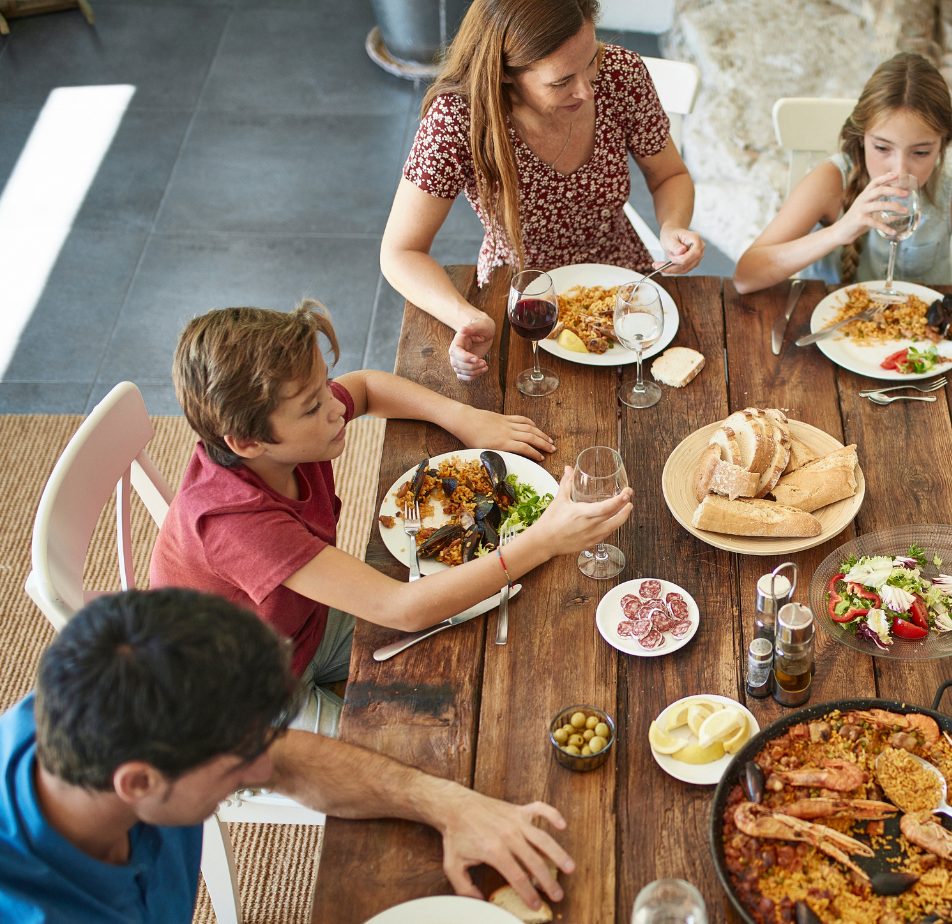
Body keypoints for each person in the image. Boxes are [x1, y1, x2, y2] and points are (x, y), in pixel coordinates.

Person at [150, 302, 632, 734]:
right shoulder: (232, 522)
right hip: (242, 698)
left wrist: (460, 416)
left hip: (300, 625)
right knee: (407, 752)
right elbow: (400, 608)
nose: (336, 409)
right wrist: (543, 541)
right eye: (313, 406)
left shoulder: (284, 433)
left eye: (323, 386)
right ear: (248, 443)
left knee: (473, 656)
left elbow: (366, 385)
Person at [0, 589, 574, 923]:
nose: (264, 769)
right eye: (239, 762)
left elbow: (288, 759)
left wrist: (448, 803)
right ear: (138, 782)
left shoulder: (97, 718)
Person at [381, 0, 705, 381]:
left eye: (591, 60)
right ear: (504, 73)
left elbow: (669, 176)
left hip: (622, 284)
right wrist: (464, 316)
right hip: (516, 297)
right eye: (562, 80)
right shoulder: (459, 119)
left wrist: (672, 226)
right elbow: (399, 253)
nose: (586, 90)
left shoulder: (621, 74)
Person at [732, 52, 952, 360]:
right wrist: (838, 232)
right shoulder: (830, 182)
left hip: (919, 349)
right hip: (832, 345)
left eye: (921, 153)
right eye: (882, 148)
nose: (900, 170)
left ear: (943, 146)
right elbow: (746, 275)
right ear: (860, 137)